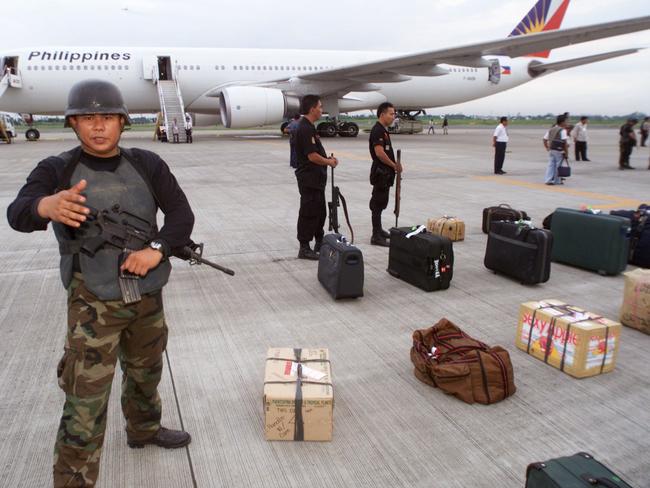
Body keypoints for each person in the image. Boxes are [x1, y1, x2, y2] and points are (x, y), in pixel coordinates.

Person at [6, 79, 194, 487]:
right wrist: (46, 205)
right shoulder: (57, 169)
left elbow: (181, 216)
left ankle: (143, 429)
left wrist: (157, 249)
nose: (98, 126)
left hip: (146, 293)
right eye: (87, 118)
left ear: (122, 122)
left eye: (107, 117)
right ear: (73, 123)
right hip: (93, 302)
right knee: (85, 401)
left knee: (146, 370)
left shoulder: (148, 164)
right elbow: (17, 213)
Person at [294, 94, 338, 260]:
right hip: (309, 180)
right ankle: (304, 247)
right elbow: (312, 156)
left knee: (320, 212)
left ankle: (320, 242)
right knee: (309, 212)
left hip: (316, 180)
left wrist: (328, 160)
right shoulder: (304, 128)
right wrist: (329, 162)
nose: (321, 110)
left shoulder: (310, 127)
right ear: (312, 109)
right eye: (320, 107)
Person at [369, 102, 402, 247]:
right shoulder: (377, 130)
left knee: (381, 203)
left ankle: (379, 230)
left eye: (394, 113)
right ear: (382, 114)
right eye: (391, 113)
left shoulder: (384, 130)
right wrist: (394, 165)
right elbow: (380, 153)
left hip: (385, 174)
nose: (393, 116)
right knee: (377, 203)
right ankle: (376, 235)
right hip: (380, 173)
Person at [543, 114, 568, 185]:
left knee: (550, 165)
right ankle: (557, 180)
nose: (567, 123)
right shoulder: (562, 130)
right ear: (562, 122)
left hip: (551, 149)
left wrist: (547, 148)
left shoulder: (551, 129)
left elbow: (544, 139)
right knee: (558, 165)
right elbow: (564, 143)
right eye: (566, 121)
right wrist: (566, 153)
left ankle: (548, 180)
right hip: (559, 150)